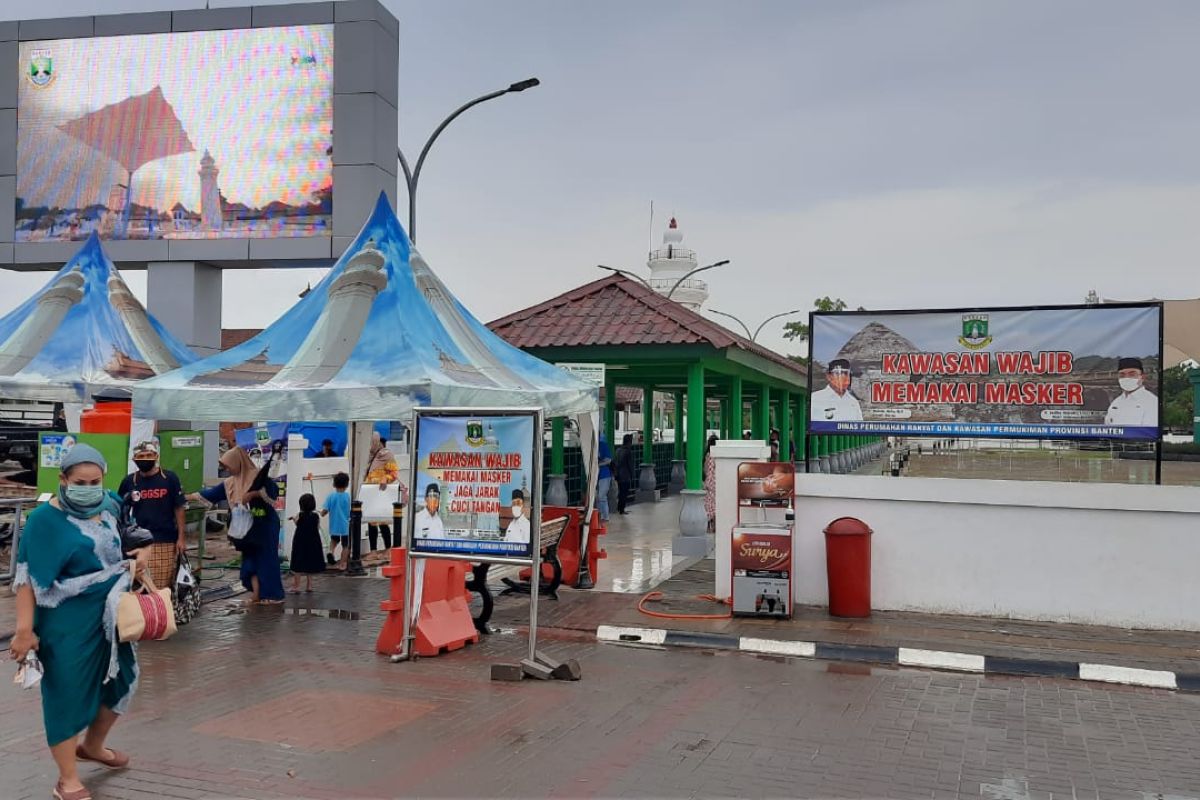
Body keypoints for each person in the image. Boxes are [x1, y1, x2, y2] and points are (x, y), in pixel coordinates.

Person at [9, 444, 150, 800]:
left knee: (123, 679)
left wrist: (142, 555)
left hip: (110, 614)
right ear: (63, 480)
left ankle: (93, 746)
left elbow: (132, 537)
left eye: (95, 481)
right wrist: (24, 632)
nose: (88, 487)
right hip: (64, 621)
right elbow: (26, 579)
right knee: (66, 694)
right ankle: (66, 779)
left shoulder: (109, 505)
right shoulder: (44, 521)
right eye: (80, 481)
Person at [189, 447, 284, 605]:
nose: (226, 469)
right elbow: (209, 495)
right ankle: (256, 595)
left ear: (237, 462)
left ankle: (272, 595)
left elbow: (272, 497)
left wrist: (253, 494)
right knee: (249, 561)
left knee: (266, 560)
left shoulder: (259, 477)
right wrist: (184, 497)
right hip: (246, 529)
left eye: (228, 465)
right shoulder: (230, 483)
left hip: (264, 525)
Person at [117, 440, 186, 591]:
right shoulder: (129, 481)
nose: (145, 459)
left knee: (161, 586)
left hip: (165, 539)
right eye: (141, 456)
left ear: (156, 456)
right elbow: (120, 509)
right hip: (139, 542)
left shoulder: (170, 479)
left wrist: (181, 538)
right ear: (134, 460)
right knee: (141, 585)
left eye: (149, 455)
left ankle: (163, 613)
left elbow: (179, 508)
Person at [364, 433, 403, 551]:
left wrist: (385, 478)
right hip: (370, 494)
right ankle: (373, 551)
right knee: (371, 522)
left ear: (377, 442)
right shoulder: (368, 456)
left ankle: (387, 550)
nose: (370, 446)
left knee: (383, 523)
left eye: (371, 443)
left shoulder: (387, 455)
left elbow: (394, 473)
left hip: (382, 493)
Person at [1104, 357, 1159, 426]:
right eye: (1122, 375)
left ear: (1142, 377)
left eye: (1132, 374)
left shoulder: (1152, 402)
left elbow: (1149, 433)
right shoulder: (1115, 403)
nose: (1126, 378)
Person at [288, 493, 324, 593]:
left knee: (297, 564)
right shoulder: (316, 516)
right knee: (310, 563)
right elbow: (317, 527)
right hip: (313, 541)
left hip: (300, 541)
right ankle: (309, 585)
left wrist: (294, 519)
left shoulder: (300, 515)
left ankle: (296, 586)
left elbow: (297, 524)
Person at [321, 472, 352, 570]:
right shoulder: (347, 497)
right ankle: (342, 564)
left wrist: (321, 513)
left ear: (334, 484)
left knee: (334, 540)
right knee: (345, 545)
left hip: (334, 524)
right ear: (347, 485)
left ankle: (330, 551)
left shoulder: (331, 496)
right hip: (345, 525)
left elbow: (324, 511)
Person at [615, 433, 636, 515]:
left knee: (621, 492)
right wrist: (632, 475)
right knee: (624, 493)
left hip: (618, 475)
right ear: (629, 442)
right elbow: (630, 465)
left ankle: (619, 508)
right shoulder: (628, 452)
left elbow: (615, 462)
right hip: (625, 475)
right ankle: (622, 509)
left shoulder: (618, 450)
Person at [703, 434, 719, 532]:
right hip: (715, 484)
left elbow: (706, 471)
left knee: (710, 507)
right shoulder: (715, 456)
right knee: (716, 507)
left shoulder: (708, 455)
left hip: (710, 484)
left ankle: (710, 527)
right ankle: (715, 528)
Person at [595, 434, 613, 523]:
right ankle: (600, 515)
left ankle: (605, 516)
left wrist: (598, 464)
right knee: (598, 497)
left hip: (604, 475)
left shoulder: (602, 445)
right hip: (597, 475)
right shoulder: (594, 445)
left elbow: (609, 460)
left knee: (601, 496)